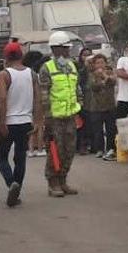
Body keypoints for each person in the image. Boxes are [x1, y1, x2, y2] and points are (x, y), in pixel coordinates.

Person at [0, 41, 41, 207]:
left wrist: (2, 123)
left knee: (0, 157)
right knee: (20, 157)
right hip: (25, 122)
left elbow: (2, 99)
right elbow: (37, 99)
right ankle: (17, 189)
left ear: (6, 57)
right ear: (21, 56)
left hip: (9, 121)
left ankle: (11, 183)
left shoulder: (4, 74)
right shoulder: (32, 74)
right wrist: (36, 121)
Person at [39, 31, 83, 197]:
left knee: (69, 150)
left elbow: (77, 89)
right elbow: (44, 95)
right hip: (54, 118)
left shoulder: (71, 66)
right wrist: (47, 117)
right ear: (56, 49)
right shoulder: (46, 68)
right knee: (55, 150)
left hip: (70, 116)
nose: (67, 52)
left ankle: (63, 180)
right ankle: (53, 182)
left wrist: (79, 107)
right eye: (65, 49)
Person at [86, 54, 117, 160]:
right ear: (94, 65)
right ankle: (100, 149)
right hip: (96, 106)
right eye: (97, 63)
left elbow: (112, 81)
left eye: (102, 62)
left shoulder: (110, 72)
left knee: (111, 129)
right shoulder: (92, 74)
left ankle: (110, 148)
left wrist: (104, 76)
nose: (100, 65)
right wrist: (102, 81)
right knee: (97, 130)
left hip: (109, 106)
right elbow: (93, 86)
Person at [22, 50, 47, 158]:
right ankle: (40, 148)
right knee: (40, 126)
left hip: (28, 102)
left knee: (31, 126)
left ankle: (31, 149)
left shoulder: (26, 74)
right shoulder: (39, 75)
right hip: (38, 101)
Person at [76, 48, 93, 155]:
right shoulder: (80, 70)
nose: (87, 57)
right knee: (82, 125)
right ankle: (81, 146)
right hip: (83, 100)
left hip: (94, 102)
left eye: (89, 55)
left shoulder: (97, 70)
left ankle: (93, 145)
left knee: (92, 124)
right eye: (84, 55)